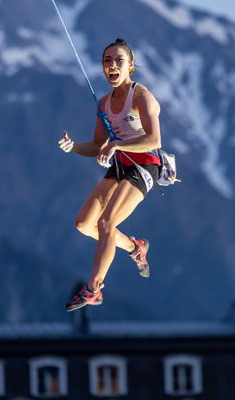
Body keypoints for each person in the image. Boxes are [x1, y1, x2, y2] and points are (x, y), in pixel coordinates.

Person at [58, 39, 162, 312]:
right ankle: (135, 248)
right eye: (107, 61)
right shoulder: (103, 103)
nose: (112, 65)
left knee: (106, 222)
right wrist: (74, 148)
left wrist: (116, 144)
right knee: (84, 224)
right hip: (120, 165)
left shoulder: (141, 96)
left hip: (145, 164)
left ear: (131, 67)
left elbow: (154, 139)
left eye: (118, 60)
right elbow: (95, 146)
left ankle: (94, 289)